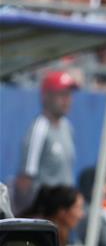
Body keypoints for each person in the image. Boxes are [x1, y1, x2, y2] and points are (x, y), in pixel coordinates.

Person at [13, 70, 78, 215]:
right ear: (46, 96)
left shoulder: (67, 127)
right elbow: (26, 178)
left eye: (69, 95)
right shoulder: (39, 128)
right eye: (62, 94)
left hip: (64, 213)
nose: (67, 100)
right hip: (45, 213)